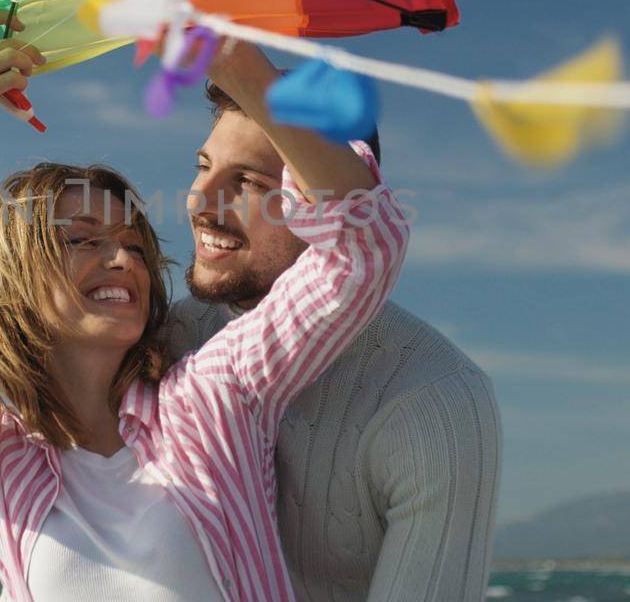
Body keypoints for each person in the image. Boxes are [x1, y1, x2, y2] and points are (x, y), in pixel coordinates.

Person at [0, 8, 410, 601]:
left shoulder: (210, 401)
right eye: (84, 240)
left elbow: (362, 247)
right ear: (16, 275)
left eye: (134, 243)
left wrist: (239, 65)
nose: (124, 261)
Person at [165, 41, 502, 601]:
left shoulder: (436, 399)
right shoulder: (165, 341)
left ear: (318, 199)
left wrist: (243, 69)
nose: (200, 200)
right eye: (203, 166)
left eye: (248, 182)